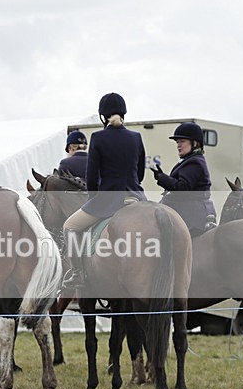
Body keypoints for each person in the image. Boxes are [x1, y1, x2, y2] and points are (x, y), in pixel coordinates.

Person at [61, 93, 147, 289]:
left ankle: (77, 273)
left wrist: (94, 198)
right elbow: (140, 174)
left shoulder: (98, 137)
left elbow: (92, 177)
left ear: (103, 116)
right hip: (137, 197)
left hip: (108, 200)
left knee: (70, 227)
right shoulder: (136, 137)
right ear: (123, 113)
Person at [152, 122, 216, 238]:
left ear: (195, 143)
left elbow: (183, 187)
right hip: (187, 209)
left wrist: (162, 178)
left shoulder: (195, 162)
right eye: (177, 142)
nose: (178, 145)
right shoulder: (191, 160)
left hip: (191, 214)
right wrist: (162, 177)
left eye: (182, 142)